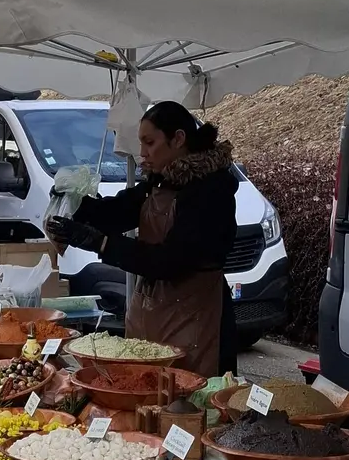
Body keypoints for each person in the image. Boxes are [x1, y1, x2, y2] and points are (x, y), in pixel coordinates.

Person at [50, 101, 238, 376]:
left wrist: (101, 243)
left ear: (178, 139)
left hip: (196, 314)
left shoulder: (210, 191)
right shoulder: (160, 181)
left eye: (149, 142)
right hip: (154, 307)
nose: (142, 153)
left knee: (186, 394)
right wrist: (76, 205)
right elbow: (120, 210)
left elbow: (169, 260)